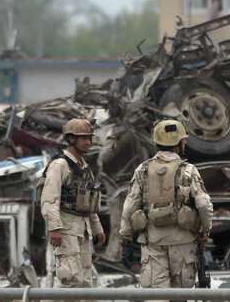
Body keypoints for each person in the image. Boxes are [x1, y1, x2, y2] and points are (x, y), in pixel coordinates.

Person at [119, 119, 213, 293]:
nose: (185, 143)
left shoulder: (142, 169)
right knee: (181, 295)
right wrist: (204, 232)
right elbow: (204, 205)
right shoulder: (189, 169)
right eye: (183, 140)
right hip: (183, 243)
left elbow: (129, 206)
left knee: (157, 296)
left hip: (152, 243)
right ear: (177, 144)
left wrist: (126, 239)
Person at [40, 118, 106, 293]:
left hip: (83, 231)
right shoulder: (60, 165)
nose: (88, 142)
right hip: (66, 230)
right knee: (69, 281)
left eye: (89, 138)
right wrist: (54, 228)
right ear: (71, 139)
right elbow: (49, 199)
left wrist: (97, 228)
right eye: (83, 138)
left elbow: (88, 201)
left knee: (85, 282)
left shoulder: (84, 167)